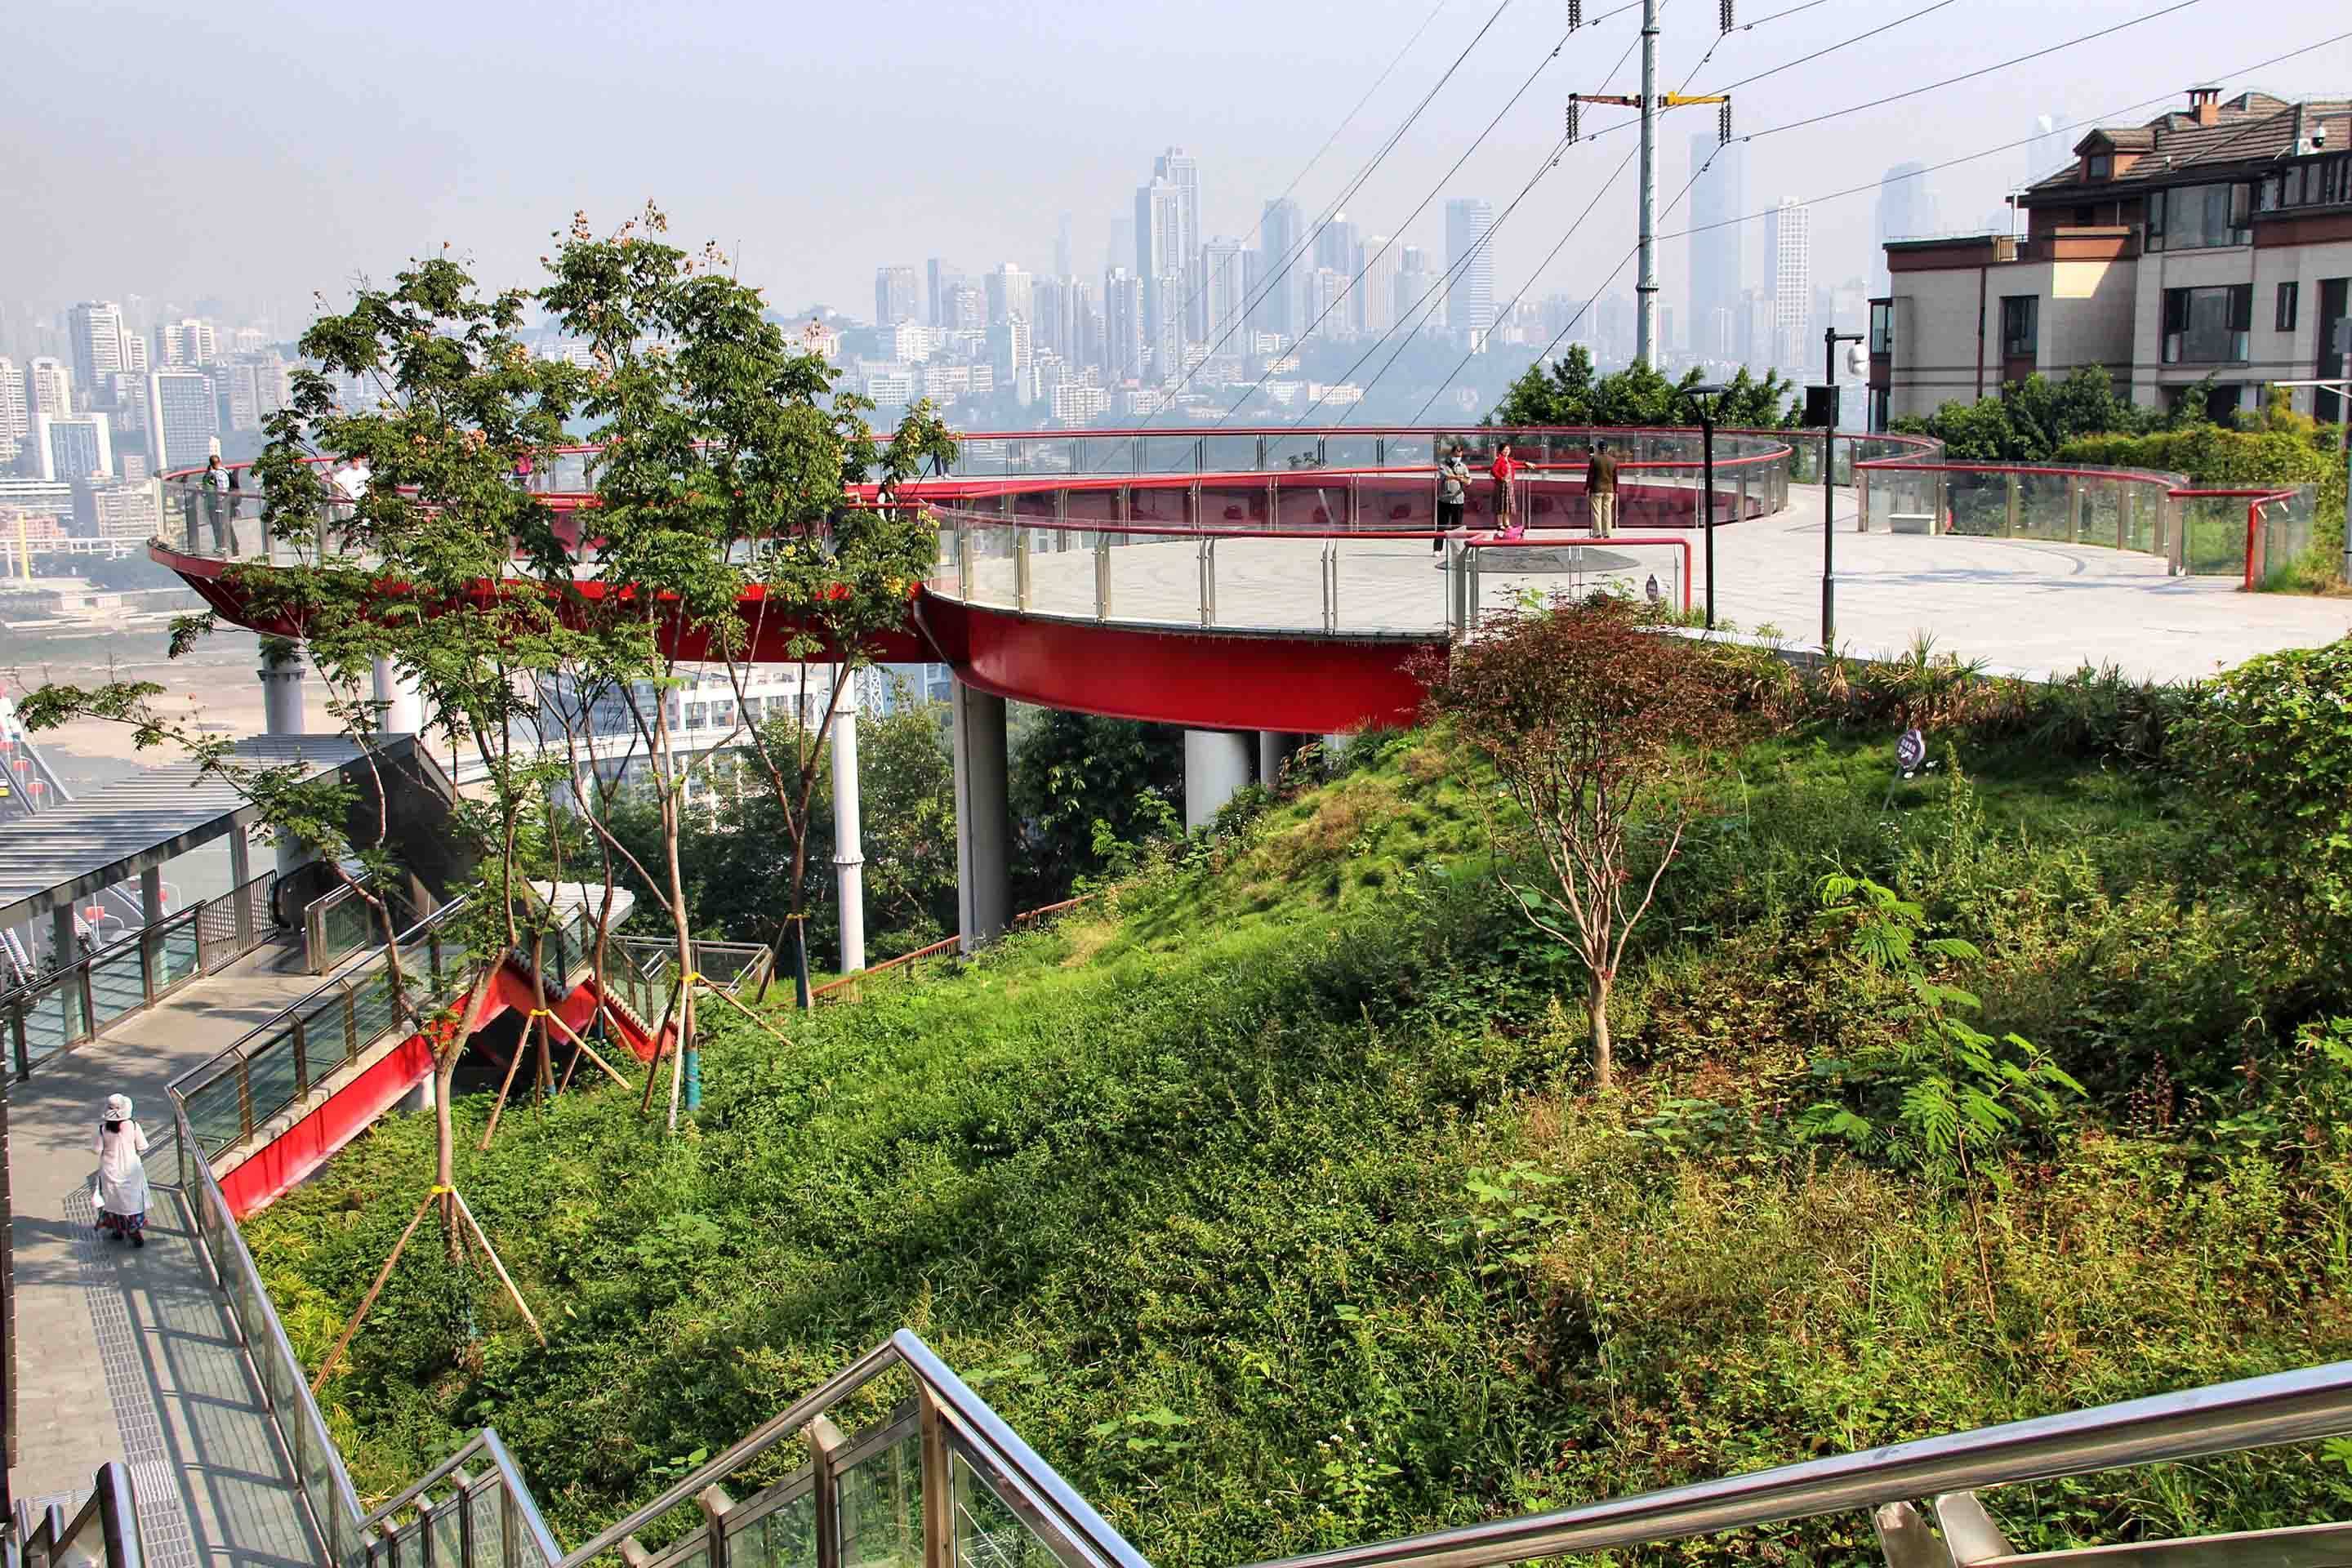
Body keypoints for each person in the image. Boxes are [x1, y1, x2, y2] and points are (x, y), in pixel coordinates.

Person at [93, 1094, 150, 1248]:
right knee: (132, 1201)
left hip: (110, 1169)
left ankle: (117, 1229)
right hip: (131, 1170)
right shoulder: (133, 1126)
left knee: (113, 1200)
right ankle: (134, 1231)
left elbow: (96, 1150)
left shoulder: (103, 1129)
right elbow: (143, 1146)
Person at [1435, 445, 1470, 552]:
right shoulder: (1443, 465)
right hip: (1444, 500)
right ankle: (1437, 549)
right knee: (1441, 526)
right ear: (1451, 454)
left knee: (1457, 527)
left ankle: (1457, 549)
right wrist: (1457, 477)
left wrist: (1464, 480)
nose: (1457, 456)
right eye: (1455, 454)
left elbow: (1468, 481)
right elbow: (1446, 475)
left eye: (1459, 454)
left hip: (1458, 500)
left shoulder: (1463, 466)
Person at [1586, 441, 1619, 538]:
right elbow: (1615, 477)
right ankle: (1607, 533)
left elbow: (1590, 475)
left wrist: (1587, 487)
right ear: (1607, 449)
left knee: (1597, 512)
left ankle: (1597, 533)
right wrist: (1616, 489)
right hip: (1609, 489)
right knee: (1607, 511)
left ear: (1598, 449)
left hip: (1596, 489)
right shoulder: (1613, 460)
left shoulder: (1594, 459)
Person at [199, 454, 231, 553]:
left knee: (217, 525)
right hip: (226, 501)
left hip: (215, 503)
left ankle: (221, 547)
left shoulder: (211, 475)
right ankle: (227, 545)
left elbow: (206, 492)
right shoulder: (226, 471)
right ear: (219, 461)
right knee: (224, 524)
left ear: (211, 463)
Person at [1490, 443, 1519, 532]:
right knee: (1501, 505)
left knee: (1508, 505)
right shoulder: (1499, 460)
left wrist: (1526, 463)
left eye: (1508, 449)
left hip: (1509, 486)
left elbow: (1518, 463)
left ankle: (1507, 523)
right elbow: (1493, 471)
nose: (1507, 451)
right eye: (1505, 449)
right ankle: (1500, 524)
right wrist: (1501, 478)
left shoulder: (1509, 460)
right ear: (1501, 451)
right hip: (1502, 486)